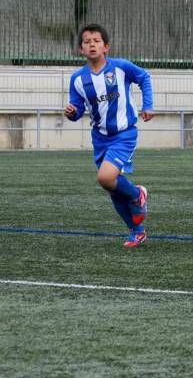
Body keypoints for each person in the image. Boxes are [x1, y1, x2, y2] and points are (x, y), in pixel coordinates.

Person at [64, 23, 155, 248]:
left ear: (106, 47)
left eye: (96, 41)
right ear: (81, 49)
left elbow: (144, 77)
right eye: (87, 41)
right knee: (112, 188)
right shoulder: (78, 79)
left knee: (105, 178)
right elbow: (77, 110)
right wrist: (72, 113)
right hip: (100, 138)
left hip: (124, 134)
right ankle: (137, 231)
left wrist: (148, 105)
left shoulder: (121, 67)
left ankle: (137, 194)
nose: (92, 44)